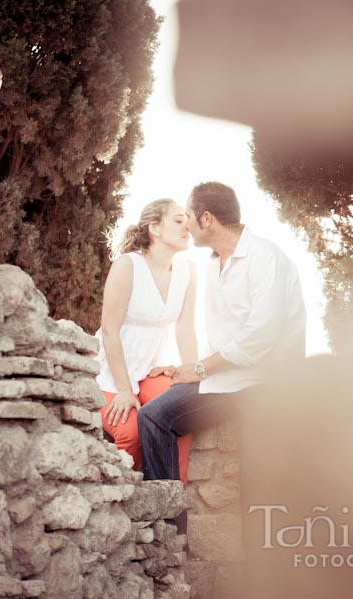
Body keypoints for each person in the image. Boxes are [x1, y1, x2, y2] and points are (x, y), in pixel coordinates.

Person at [137, 182, 306, 533]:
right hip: (226, 382)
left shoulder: (265, 257)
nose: (186, 224)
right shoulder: (214, 265)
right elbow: (227, 340)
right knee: (154, 417)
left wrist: (199, 368)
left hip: (268, 387)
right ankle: (170, 532)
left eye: (190, 216)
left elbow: (259, 339)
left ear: (208, 218)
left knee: (258, 491)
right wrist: (191, 368)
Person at [96, 198, 198, 487]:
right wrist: (124, 389)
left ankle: (172, 500)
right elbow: (109, 331)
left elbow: (185, 329)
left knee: (182, 415)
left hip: (152, 372)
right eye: (178, 220)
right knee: (130, 433)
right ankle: (123, 502)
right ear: (154, 227)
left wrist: (189, 370)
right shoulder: (127, 266)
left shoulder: (189, 270)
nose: (187, 225)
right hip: (112, 374)